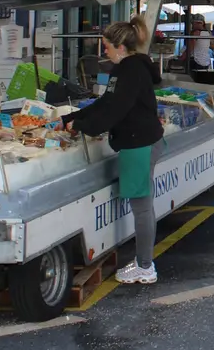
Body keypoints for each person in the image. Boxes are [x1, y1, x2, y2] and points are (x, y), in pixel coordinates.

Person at [64, 17, 165, 285]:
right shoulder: (128, 68)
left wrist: (84, 126)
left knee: (142, 207)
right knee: (143, 205)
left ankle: (145, 266)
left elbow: (115, 110)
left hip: (138, 143)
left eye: (107, 46)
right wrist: (72, 117)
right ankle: (144, 262)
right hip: (142, 140)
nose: (104, 51)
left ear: (120, 46)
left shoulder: (128, 71)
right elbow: (107, 101)